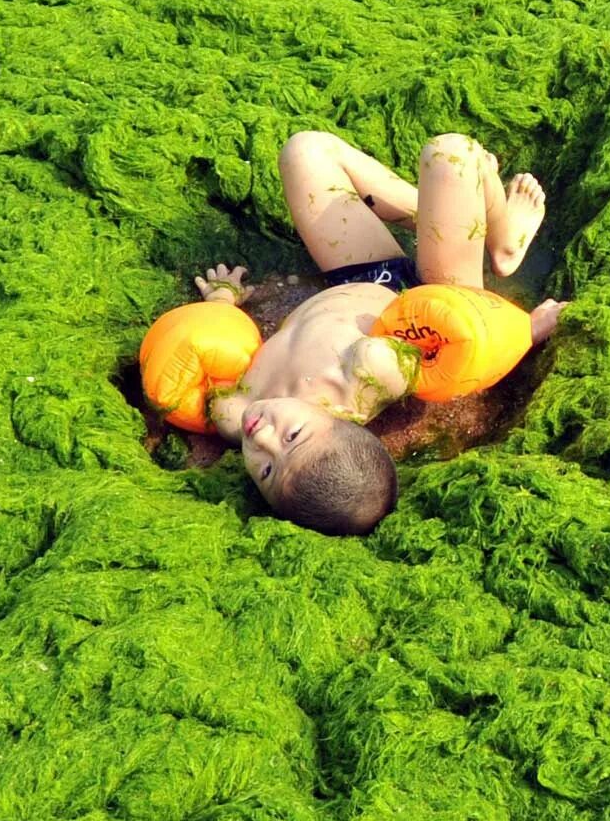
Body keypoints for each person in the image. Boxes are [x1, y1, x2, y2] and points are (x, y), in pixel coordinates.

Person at [195, 131, 563, 534]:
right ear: (343, 421)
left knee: (304, 151)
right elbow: (466, 351)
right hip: (440, 301)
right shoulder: (362, 382)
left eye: (265, 470)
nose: (262, 436)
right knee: (451, 155)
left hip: (361, 277)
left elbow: (214, 346)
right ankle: (503, 241)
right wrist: (527, 330)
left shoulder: (235, 414)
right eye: (293, 436)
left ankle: (436, 213)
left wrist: (222, 302)